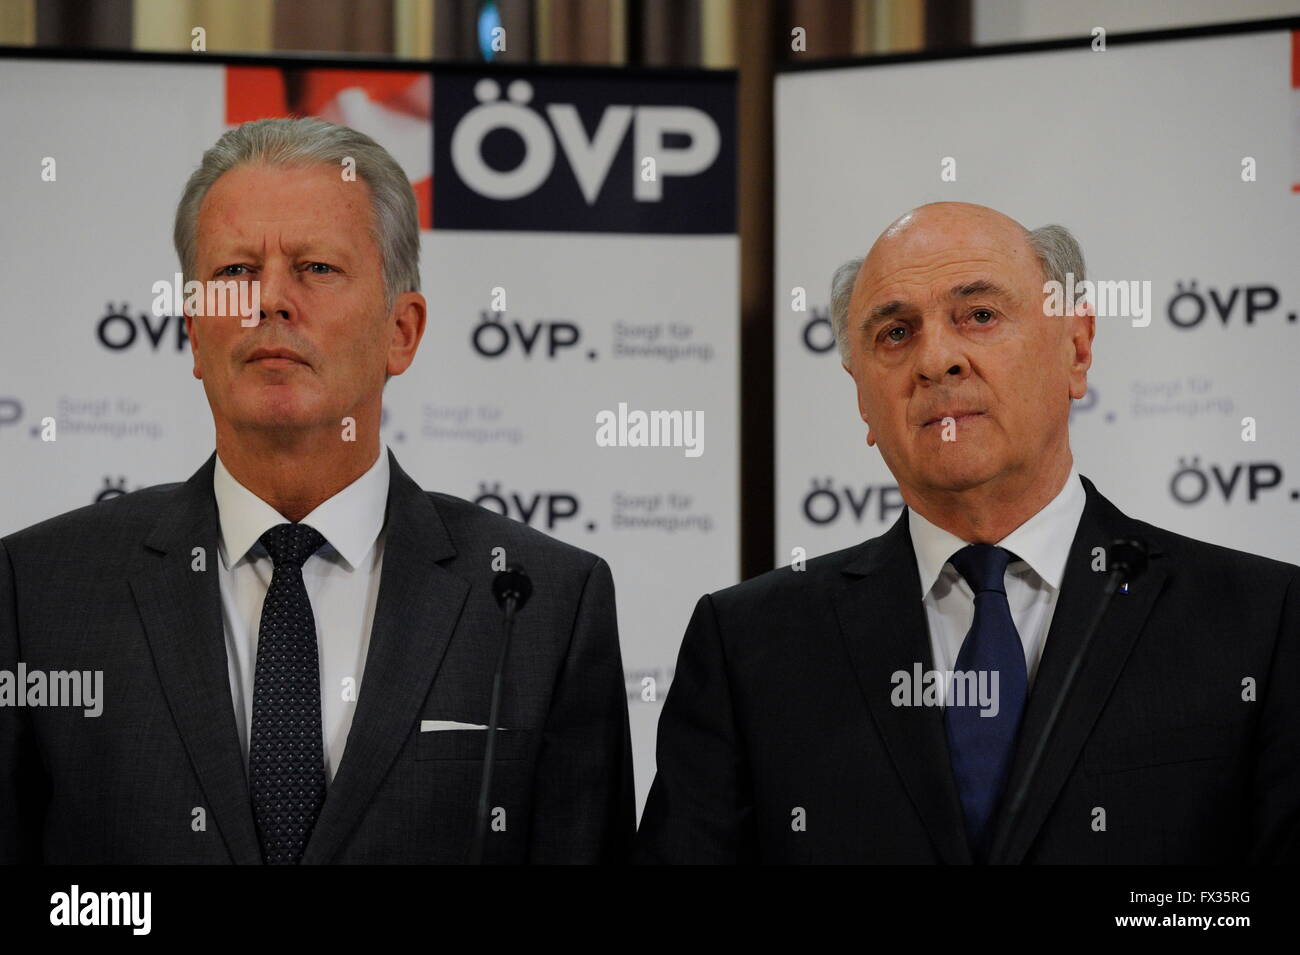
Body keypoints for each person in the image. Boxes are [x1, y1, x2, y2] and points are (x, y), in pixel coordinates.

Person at [0, 118, 634, 864]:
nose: (270, 299)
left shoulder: (546, 603)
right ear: (193, 332)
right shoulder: (38, 593)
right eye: (235, 272)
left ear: (403, 329)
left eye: (315, 268)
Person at [636, 202, 1299, 864]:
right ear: (862, 399)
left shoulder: (1260, 623)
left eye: (979, 315)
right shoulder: (749, 646)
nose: (936, 359)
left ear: (1076, 346)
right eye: (895, 333)